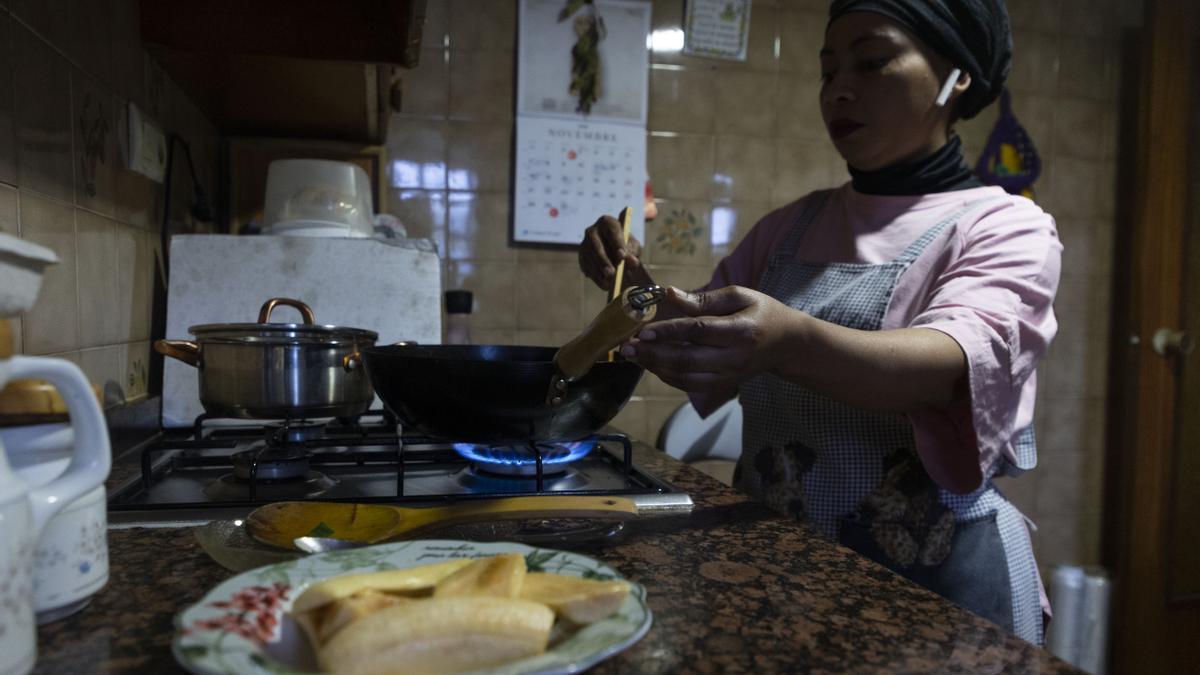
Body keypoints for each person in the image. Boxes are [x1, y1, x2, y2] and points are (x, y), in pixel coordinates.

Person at [578, 0, 1059, 645]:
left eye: (873, 60)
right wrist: (628, 284)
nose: (840, 90)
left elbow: (949, 366)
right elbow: (699, 328)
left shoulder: (1004, 226)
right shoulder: (788, 229)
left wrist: (787, 340)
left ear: (957, 75)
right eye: (828, 71)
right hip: (787, 573)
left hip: (938, 596)